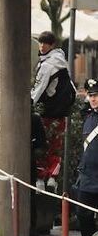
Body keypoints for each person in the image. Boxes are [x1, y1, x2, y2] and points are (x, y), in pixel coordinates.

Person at [31, 31, 76, 191]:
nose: (42, 46)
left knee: (43, 145)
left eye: (45, 44)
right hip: (61, 112)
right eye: (40, 43)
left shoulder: (47, 65)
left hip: (49, 112)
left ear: (52, 45)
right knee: (56, 147)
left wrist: (29, 103)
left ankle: (41, 179)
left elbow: (38, 89)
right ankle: (53, 179)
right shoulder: (61, 60)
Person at [76, 78, 98, 236]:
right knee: (82, 214)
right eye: (91, 95)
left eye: (96, 95)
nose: (93, 99)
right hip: (88, 176)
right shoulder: (88, 116)